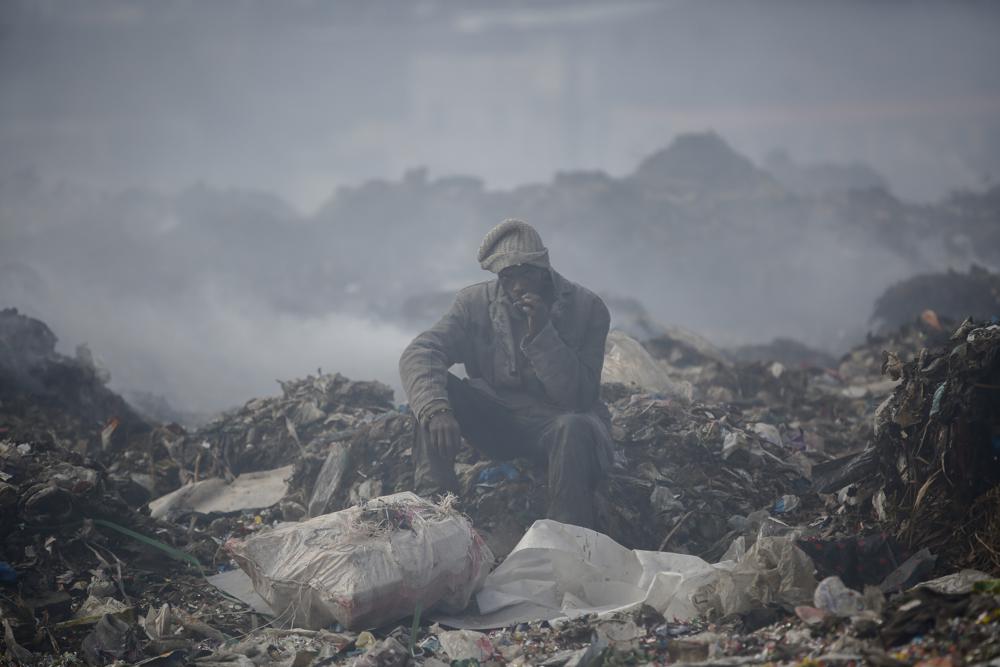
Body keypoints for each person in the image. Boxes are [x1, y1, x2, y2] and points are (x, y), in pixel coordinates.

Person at [399, 219, 614, 529]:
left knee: (574, 426)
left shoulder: (587, 309)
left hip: (559, 426)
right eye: (507, 277)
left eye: (525, 274)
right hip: (500, 420)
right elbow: (421, 352)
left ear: (543, 269)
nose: (516, 286)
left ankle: (567, 535)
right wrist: (436, 410)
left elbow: (578, 397)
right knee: (434, 393)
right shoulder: (474, 304)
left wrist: (542, 333)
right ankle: (436, 513)